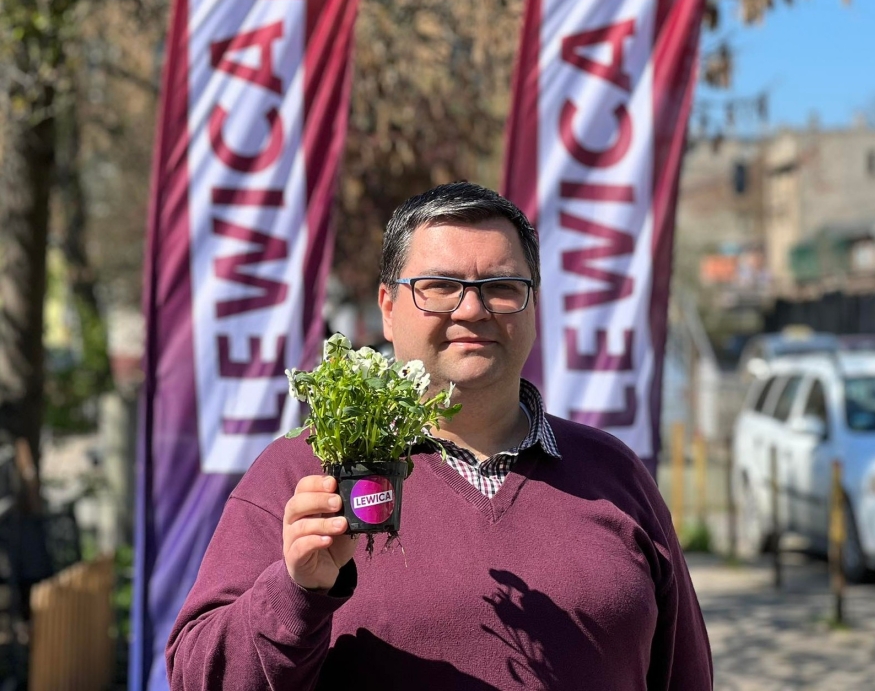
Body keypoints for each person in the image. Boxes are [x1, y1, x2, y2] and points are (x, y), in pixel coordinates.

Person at [167, 182, 713, 690]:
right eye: (441, 287)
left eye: (502, 287)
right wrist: (297, 593)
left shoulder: (613, 473)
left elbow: (686, 675)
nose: (472, 309)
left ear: (534, 306)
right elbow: (198, 678)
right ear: (388, 308)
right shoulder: (304, 474)